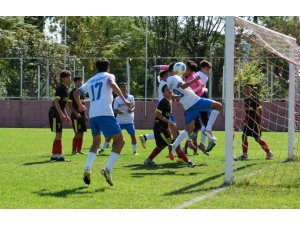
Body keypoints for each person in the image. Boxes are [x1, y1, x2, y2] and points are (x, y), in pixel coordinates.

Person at [74, 58, 131, 186]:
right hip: (105, 113)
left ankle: (87, 169)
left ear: (97, 68)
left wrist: (80, 105)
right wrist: (124, 99)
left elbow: (76, 93)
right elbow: (112, 83)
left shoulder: (92, 79)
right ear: (108, 67)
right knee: (120, 141)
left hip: (93, 114)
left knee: (96, 142)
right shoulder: (109, 76)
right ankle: (107, 169)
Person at [167, 62, 222, 156]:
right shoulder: (176, 78)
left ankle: (174, 145)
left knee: (189, 128)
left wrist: (180, 97)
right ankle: (208, 129)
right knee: (218, 106)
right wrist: (195, 79)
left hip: (187, 105)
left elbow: (171, 95)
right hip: (194, 101)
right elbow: (183, 86)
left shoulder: (169, 81)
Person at [144, 84, 195, 168]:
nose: (170, 91)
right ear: (163, 93)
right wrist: (168, 121)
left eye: (170, 90)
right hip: (160, 127)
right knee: (175, 145)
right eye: (167, 90)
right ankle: (188, 162)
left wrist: (185, 94)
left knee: (161, 146)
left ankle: (148, 160)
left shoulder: (169, 100)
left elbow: (175, 97)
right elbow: (157, 114)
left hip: (163, 127)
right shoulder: (163, 102)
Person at [139, 63, 179, 148]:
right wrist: (182, 96)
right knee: (174, 131)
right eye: (168, 74)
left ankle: (146, 137)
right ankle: (176, 150)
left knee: (168, 131)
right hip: (165, 110)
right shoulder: (165, 84)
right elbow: (171, 96)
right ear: (165, 75)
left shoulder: (163, 83)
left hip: (166, 109)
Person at [235, 84, 273, 161]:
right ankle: (245, 155)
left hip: (255, 121)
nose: (247, 90)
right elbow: (248, 111)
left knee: (258, 139)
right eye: (246, 89)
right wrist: (245, 119)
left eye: (249, 89)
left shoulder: (254, 99)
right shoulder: (245, 100)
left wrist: (261, 120)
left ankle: (269, 153)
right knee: (244, 136)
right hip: (249, 121)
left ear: (252, 90)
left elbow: (260, 110)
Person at [99, 82, 138, 155]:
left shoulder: (131, 97)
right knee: (111, 135)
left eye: (124, 87)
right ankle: (102, 148)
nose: (123, 88)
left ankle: (135, 151)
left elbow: (133, 106)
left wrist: (132, 110)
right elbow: (114, 110)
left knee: (132, 135)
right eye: (121, 87)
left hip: (129, 120)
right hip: (119, 121)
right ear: (119, 89)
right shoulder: (117, 99)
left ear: (127, 88)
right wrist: (118, 112)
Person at [48, 70, 72, 161]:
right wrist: (61, 114)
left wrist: (66, 116)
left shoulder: (66, 89)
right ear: (63, 78)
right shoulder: (60, 88)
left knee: (58, 135)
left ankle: (54, 155)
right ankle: (58, 156)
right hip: (55, 113)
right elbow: (56, 102)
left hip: (58, 112)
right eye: (68, 77)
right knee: (59, 134)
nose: (70, 78)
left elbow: (63, 106)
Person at [196, 60, 217, 154]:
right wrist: (205, 89)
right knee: (216, 108)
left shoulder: (197, 74)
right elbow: (199, 88)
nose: (209, 71)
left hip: (194, 100)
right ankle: (210, 140)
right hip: (200, 99)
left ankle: (202, 143)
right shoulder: (203, 76)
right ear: (203, 68)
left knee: (203, 123)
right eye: (208, 68)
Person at [68, 76, 88, 155]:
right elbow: (69, 104)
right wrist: (76, 113)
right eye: (80, 81)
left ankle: (79, 150)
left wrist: (85, 115)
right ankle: (73, 151)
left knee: (82, 132)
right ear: (75, 82)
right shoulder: (72, 92)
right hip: (75, 116)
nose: (81, 82)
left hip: (82, 116)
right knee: (77, 133)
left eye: (81, 81)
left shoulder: (82, 93)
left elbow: (83, 104)